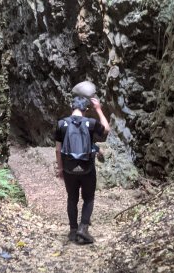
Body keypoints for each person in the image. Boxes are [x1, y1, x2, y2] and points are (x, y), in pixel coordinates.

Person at [54, 96, 110, 244]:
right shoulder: (90, 123)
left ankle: (73, 230)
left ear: (72, 108)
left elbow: (58, 150)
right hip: (87, 168)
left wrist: (60, 169)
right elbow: (106, 129)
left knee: (72, 198)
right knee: (89, 198)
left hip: (69, 168)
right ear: (85, 110)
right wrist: (98, 109)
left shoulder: (61, 124)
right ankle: (83, 228)